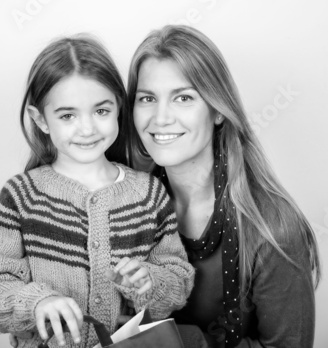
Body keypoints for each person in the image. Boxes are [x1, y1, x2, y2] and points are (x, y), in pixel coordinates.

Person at [0, 34, 194, 348]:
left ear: (118, 107)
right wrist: (36, 303)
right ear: (41, 120)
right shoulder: (22, 196)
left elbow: (178, 279)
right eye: (67, 116)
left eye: (101, 111)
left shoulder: (149, 195)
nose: (87, 128)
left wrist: (149, 281)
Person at [127, 24, 321, 348]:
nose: (160, 118)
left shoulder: (274, 228)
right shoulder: (124, 203)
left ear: (217, 110)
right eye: (147, 98)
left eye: (183, 97)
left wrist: (178, 342)